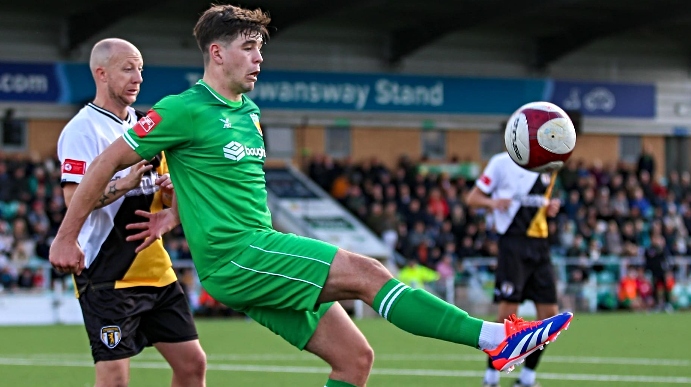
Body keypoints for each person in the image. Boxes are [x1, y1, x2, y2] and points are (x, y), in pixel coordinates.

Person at [49, 6, 572, 387]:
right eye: (248, 48)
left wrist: (170, 220)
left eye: (261, 49)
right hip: (238, 256)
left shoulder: (248, 114)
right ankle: (495, 340)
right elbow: (103, 164)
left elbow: (185, 178)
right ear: (217, 52)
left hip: (256, 252)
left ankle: (498, 342)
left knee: (354, 360)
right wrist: (67, 237)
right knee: (367, 274)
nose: (259, 59)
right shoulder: (182, 108)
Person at [55, 38, 206, 387]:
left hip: (157, 271)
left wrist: (171, 194)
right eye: (128, 68)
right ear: (101, 73)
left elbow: (169, 201)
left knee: (192, 365)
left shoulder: (146, 128)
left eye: (140, 69)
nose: (138, 77)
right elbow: (73, 199)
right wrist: (123, 184)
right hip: (108, 272)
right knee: (114, 379)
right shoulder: (82, 130)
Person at [466, 152, 562, 387]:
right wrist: (493, 203)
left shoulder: (549, 166)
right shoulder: (501, 162)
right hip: (512, 243)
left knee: (549, 317)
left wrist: (551, 208)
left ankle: (527, 378)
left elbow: (543, 203)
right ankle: (491, 377)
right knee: (506, 318)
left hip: (540, 245)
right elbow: (472, 199)